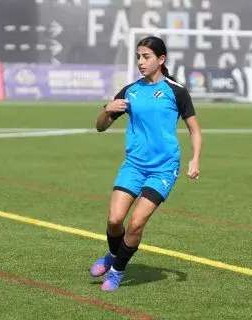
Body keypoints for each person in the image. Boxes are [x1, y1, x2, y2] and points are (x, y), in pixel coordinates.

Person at [90, 36, 202, 291]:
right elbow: (100, 127)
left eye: (146, 57)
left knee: (137, 222)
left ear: (161, 60)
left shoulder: (177, 91)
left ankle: (117, 271)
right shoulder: (131, 90)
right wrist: (107, 109)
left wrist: (195, 159)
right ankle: (113, 254)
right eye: (139, 56)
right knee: (115, 220)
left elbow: (195, 130)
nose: (141, 62)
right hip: (134, 165)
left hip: (163, 168)